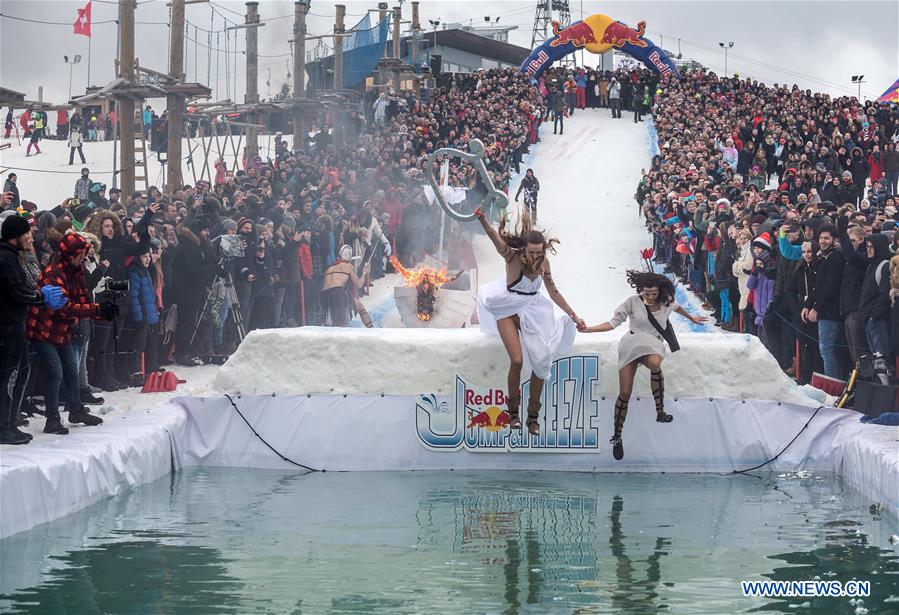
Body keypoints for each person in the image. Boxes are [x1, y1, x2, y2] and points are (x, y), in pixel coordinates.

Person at [475, 207, 584, 435]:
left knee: (542, 362)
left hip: (533, 308)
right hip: (507, 307)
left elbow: (553, 292)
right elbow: (497, 241)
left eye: (539, 252)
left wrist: (574, 315)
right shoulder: (512, 257)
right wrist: (482, 220)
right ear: (524, 249)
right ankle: (512, 413)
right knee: (517, 360)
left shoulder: (544, 264)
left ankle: (533, 417)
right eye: (532, 252)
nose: (535, 257)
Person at [582, 270, 706, 460]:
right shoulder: (632, 302)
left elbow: (678, 308)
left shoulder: (666, 301)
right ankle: (617, 436)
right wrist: (589, 329)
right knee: (624, 392)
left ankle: (660, 410)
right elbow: (613, 323)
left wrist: (692, 318)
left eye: (653, 294)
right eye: (646, 293)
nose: (649, 297)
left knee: (655, 363)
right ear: (640, 290)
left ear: (659, 291)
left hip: (652, 343)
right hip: (631, 343)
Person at [27, 233, 115, 434]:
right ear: (71, 253)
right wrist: (98, 310)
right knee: (55, 372)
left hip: (63, 329)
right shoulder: (53, 272)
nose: (84, 257)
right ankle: (52, 419)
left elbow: (82, 298)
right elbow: (63, 306)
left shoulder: (76, 270)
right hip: (43, 329)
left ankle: (76, 410)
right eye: (81, 253)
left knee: (71, 370)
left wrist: (98, 310)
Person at [0, 214, 68, 444]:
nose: (30, 236)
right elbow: (16, 291)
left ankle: (10, 423)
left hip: (15, 323)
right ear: (15, 236)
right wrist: (40, 297)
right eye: (26, 233)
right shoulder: (5, 258)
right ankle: (3, 428)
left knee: (22, 372)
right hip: (7, 325)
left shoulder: (12, 256)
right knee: (9, 376)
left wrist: (38, 296)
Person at [321, 244, 369, 326]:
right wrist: (364, 273)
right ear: (341, 255)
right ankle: (372, 330)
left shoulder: (330, 267)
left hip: (324, 296)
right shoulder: (348, 266)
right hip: (338, 295)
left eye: (349, 254)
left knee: (334, 322)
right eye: (346, 254)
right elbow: (359, 285)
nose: (348, 255)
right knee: (359, 308)